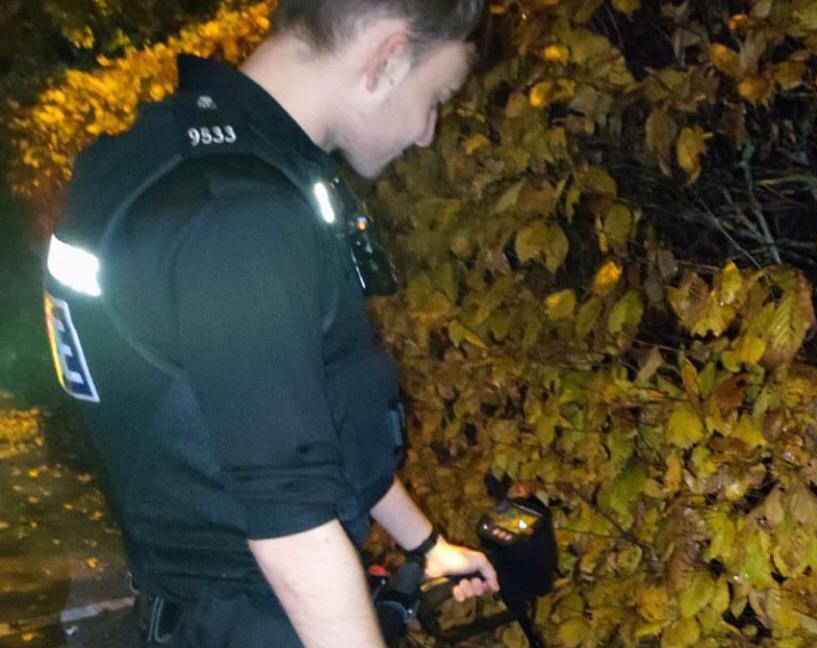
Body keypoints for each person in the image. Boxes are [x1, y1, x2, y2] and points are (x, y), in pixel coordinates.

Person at [40, 1, 499, 645]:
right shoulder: (242, 216)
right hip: (255, 621)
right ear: (387, 58)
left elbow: (305, 419)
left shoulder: (174, 154)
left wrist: (424, 544)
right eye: (439, 93)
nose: (428, 129)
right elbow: (293, 536)